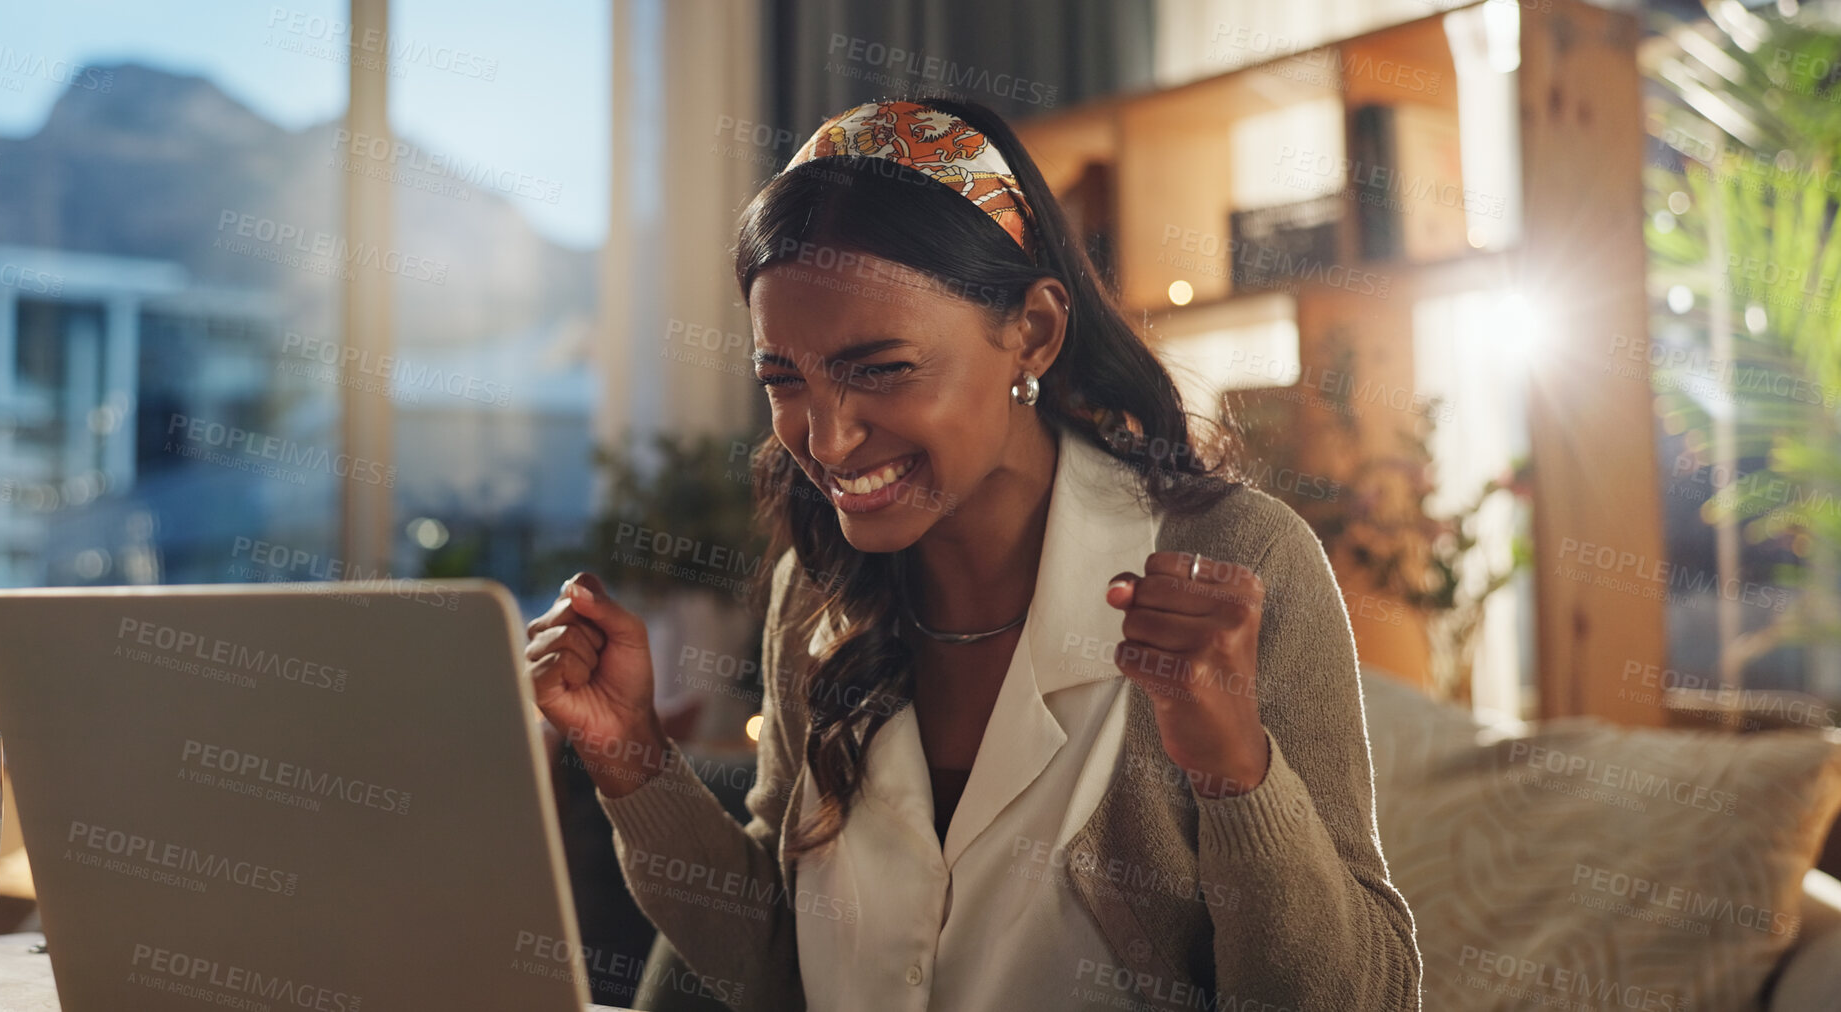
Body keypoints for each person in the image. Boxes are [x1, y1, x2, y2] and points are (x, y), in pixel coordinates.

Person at [525, 95, 1422, 1012]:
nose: (826, 440)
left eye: (879, 369)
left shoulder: (1241, 559)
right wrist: (629, 755)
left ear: (1031, 331)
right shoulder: (816, 590)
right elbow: (771, 967)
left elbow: (1361, 997)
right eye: (782, 378)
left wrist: (1236, 773)